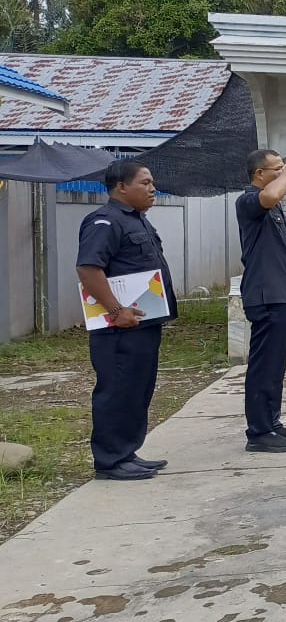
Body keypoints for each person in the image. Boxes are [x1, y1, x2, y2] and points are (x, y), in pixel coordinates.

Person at [76, 160, 179, 481]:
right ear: (122, 187)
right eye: (145, 183)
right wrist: (116, 310)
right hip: (119, 328)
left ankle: (126, 452)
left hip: (143, 324)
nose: (153, 189)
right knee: (118, 389)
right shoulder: (104, 222)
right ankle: (109, 460)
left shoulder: (137, 221)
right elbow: (88, 269)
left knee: (137, 389)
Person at [237, 150, 286, 454]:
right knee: (263, 366)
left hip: (281, 295)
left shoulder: (273, 208)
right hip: (266, 296)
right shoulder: (250, 200)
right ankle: (259, 431)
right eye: (275, 169)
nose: (284, 172)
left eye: (284, 168)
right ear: (258, 174)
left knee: (275, 366)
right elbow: (271, 195)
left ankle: (272, 422)